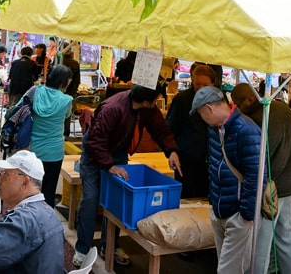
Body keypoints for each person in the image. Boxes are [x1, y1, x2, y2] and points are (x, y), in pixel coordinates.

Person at [73, 83, 181, 267]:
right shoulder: (113, 108)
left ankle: (110, 246)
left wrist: (171, 150)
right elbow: (95, 142)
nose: (157, 103)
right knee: (90, 199)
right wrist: (110, 166)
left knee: (117, 201)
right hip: (94, 153)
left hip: (118, 151)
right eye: (156, 100)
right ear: (147, 100)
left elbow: (159, 128)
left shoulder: (146, 108)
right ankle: (82, 248)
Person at [229, 83, 291, 274]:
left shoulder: (257, 119)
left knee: (258, 251)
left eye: (237, 103)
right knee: (290, 246)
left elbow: (256, 162)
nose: (236, 108)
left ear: (249, 99)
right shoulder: (283, 109)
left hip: (268, 193)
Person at [190, 85, 264, 274]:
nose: (202, 119)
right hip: (220, 210)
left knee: (227, 270)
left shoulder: (247, 130)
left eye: (201, 114)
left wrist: (246, 215)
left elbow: (255, 176)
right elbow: (215, 165)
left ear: (209, 109)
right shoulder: (215, 128)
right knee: (229, 268)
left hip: (238, 214)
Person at [166, 63, 217, 198]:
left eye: (205, 85)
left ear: (213, 83)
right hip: (185, 160)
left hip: (210, 161)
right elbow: (170, 129)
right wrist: (172, 152)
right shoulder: (182, 100)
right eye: (197, 84)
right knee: (185, 198)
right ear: (192, 81)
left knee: (206, 199)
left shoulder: (217, 100)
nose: (201, 88)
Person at [25, 64, 73, 208]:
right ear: (63, 82)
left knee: (30, 191)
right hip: (54, 152)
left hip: (33, 149)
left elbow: (20, 109)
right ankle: (46, 224)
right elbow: (67, 116)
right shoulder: (66, 100)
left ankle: (29, 221)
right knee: (49, 192)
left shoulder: (35, 91)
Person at [61, 49, 81, 137]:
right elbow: (77, 80)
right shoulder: (75, 63)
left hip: (59, 92)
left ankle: (61, 132)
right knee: (67, 114)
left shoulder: (59, 62)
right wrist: (73, 92)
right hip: (70, 93)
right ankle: (66, 133)